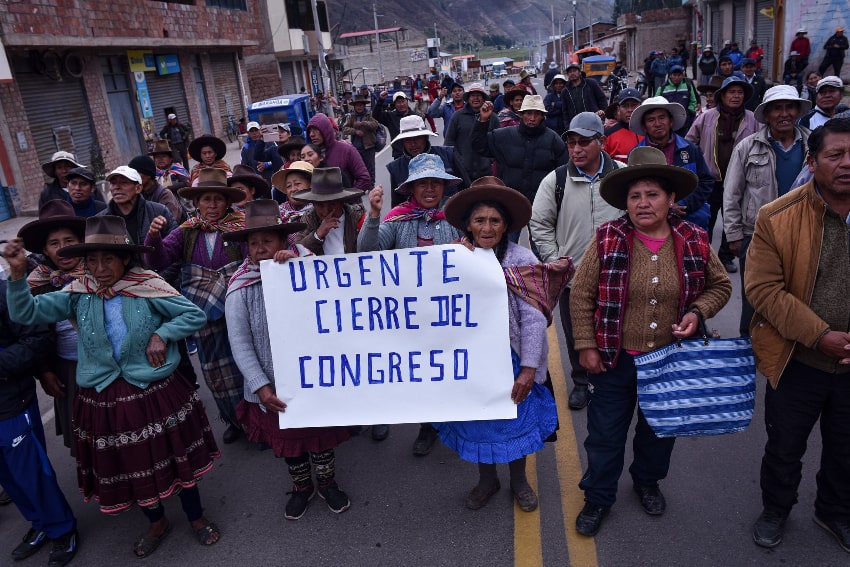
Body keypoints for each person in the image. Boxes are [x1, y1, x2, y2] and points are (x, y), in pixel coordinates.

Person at [4, 215, 221, 559]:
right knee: (130, 463)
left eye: (108, 258)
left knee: (174, 456)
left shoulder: (147, 285)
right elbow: (26, 313)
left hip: (154, 390)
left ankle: (196, 517)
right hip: (105, 395)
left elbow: (193, 314)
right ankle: (156, 521)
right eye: (92, 259)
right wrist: (17, 275)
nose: (100, 268)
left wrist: (161, 334)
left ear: (124, 259)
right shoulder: (77, 292)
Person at [570, 146, 732, 537]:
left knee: (659, 430)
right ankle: (598, 496)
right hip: (615, 358)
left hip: (670, 360)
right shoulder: (609, 237)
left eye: (653, 194)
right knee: (605, 433)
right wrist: (586, 345)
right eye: (635, 196)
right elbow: (581, 294)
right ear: (625, 202)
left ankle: (647, 481)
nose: (643, 203)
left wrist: (696, 313)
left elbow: (721, 285)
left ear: (672, 199)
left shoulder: (692, 238)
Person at [435, 177, 571, 512]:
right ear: (468, 223)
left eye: (495, 220)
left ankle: (519, 480)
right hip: (469, 361)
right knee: (478, 423)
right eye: (479, 220)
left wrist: (528, 367)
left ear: (505, 225)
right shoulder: (452, 258)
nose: (487, 227)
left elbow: (534, 318)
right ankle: (487, 480)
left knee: (514, 420)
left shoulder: (521, 260)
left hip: (510, 359)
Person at [746, 116, 850, 553]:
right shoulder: (777, 216)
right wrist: (820, 335)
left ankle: (834, 511)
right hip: (798, 358)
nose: (847, 163)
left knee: (846, 448)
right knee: (785, 445)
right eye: (836, 155)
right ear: (812, 160)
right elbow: (763, 289)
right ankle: (776, 508)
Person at [224, 199, 353, 520]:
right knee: (288, 444)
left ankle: (327, 482)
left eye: (268, 241)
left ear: (284, 242)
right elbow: (240, 343)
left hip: (312, 378)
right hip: (273, 387)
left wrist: (296, 263)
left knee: (320, 439)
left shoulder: (303, 266)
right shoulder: (240, 287)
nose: (260, 249)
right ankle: (301, 486)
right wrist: (260, 386)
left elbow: (328, 294)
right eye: (253, 243)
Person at [357, 153, 463, 448]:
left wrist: (467, 247)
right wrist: (374, 215)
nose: (429, 189)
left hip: (450, 311)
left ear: (444, 187)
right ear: (411, 189)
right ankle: (427, 427)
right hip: (412, 315)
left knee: (452, 368)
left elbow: (479, 254)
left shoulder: (458, 217)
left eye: (435, 183)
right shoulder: (397, 218)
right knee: (425, 373)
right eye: (422, 184)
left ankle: (457, 423)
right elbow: (368, 253)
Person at [530, 112, 626, 411]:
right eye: (571, 143)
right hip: (573, 279)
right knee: (577, 334)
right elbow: (540, 225)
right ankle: (582, 382)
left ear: (602, 142)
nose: (576, 149)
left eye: (584, 142)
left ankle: (617, 379)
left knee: (620, 328)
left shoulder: (624, 175)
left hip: (619, 276)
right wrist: (554, 258)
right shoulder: (556, 180)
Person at [145, 168, 248, 444]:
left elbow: (255, 259)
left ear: (227, 202)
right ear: (197, 203)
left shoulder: (242, 227)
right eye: (206, 200)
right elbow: (160, 260)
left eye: (217, 199)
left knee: (247, 364)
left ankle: (257, 421)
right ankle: (234, 419)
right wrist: (153, 238)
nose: (212, 205)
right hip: (203, 312)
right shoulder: (187, 232)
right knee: (215, 369)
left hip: (239, 305)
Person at [0, 259, 78, 567]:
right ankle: (40, 524)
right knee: (9, 479)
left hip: (12, 405)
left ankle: (61, 528)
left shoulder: (5, 293)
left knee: (32, 474)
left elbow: (38, 338)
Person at [724, 84, 812, 336]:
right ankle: (748, 348)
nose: (784, 114)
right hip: (757, 234)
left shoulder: (811, 144)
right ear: (768, 114)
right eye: (777, 109)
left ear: (797, 111)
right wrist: (734, 235)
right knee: (754, 295)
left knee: (797, 294)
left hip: (803, 233)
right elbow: (732, 193)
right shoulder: (748, 147)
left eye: (789, 107)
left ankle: (787, 347)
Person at [17, 200, 87, 456]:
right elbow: (30, 334)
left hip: (111, 365)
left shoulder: (103, 272)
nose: (62, 249)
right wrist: (44, 371)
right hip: (67, 369)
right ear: (45, 250)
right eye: (54, 244)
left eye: (69, 241)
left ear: (81, 241)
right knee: (82, 437)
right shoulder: (35, 285)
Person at [685, 77, 759, 274]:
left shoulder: (752, 119)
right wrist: (699, 162)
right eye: (731, 92)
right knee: (707, 220)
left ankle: (725, 256)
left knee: (733, 221)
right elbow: (690, 141)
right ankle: (704, 256)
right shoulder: (707, 117)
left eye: (740, 92)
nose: (736, 96)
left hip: (739, 182)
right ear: (723, 95)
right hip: (711, 180)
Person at [472, 94, 568, 222]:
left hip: (541, 204)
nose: (532, 118)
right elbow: (480, 147)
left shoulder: (553, 140)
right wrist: (482, 121)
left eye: (537, 114)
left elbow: (563, 173)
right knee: (507, 241)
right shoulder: (505, 136)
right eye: (528, 113)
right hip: (509, 203)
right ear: (521, 114)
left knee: (540, 241)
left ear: (542, 116)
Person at [630, 97, 715, 231]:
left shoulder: (689, 149)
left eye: (662, 117)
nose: (657, 123)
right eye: (651, 120)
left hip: (691, 221)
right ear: (644, 127)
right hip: (652, 225)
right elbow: (632, 191)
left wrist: (684, 204)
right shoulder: (636, 155)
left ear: (671, 121)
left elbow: (706, 181)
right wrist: (666, 207)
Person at [386, 115, 469, 207]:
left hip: (452, 213)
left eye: (417, 138)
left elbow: (466, 189)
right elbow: (397, 205)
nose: (413, 144)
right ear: (402, 142)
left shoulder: (448, 155)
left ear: (425, 137)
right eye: (408, 140)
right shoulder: (396, 168)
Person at [291, 167, 365, 255]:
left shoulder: (357, 217)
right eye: (320, 205)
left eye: (332, 204)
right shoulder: (309, 219)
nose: (326, 211)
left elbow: (371, 248)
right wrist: (318, 234)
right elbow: (297, 251)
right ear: (313, 204)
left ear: (341, 201)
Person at [98, 166, 177, 247]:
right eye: (113, 183)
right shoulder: (100, 220)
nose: (117, 187)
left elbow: (175, 245)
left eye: (124, 182)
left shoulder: (159, 212)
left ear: (138, 188)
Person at [445, 84, 499, 181]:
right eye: (472, 95)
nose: (476, 98)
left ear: (483, 98)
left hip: (486, 172)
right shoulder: (458, 116)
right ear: (468, 98)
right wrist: (458, 161)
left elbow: (498, 143)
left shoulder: (493, 117)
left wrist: (489, 161)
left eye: (479, 95)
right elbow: (449, 142)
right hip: (462, 172)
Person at [305, 113, 371, 192]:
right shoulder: (307, 155)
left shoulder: (346, 150)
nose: (312, 134)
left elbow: (364, 179)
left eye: (316, 130)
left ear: (325, 130)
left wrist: (348, 198)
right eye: (310, 131)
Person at [129, 155, 187, 224]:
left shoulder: (164, 195)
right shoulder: (137, 194)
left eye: (137, 173)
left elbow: (169, 226)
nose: (133, 177)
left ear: (148, 174)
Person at [271, 161, 315, 247]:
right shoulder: (279, 212)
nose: (293, 189)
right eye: (288, 186)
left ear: (311, 185)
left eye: (297, 184)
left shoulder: (319, 209)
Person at [341, 94, 380, 185]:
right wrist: (355, 131)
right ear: (354, 106)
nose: (359, 107)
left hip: (369, 146)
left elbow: (375, 125)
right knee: (357, 168)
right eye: (357, 105)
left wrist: (363, 123)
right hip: (356, 147)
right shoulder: (351, 116)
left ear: (364, 105)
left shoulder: (369, 114)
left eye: (361, 105)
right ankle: (361, 185)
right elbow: (344, 128)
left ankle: (371, 185)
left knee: (370, 167)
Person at [374, 91, 421, 159]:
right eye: (398, 102)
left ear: (407, 102)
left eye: (403, 101)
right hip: (399, 155)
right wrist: (381, 100)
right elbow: (376, 115)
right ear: (395, 105)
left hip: (415, 154)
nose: (401, 104)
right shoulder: (390, 117)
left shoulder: (415, 116)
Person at [561, 62, 608, 127]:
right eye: (570, 72)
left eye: (574, 71)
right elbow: (565, 111)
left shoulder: (591, 83)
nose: (572, 73)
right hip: (576, 124)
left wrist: (602, 113)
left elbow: (602, 99)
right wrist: (568, 126)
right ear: (568, 75)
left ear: (580, 72)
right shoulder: (565, 91)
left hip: (593, 121)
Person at [655, 65, 698, 135]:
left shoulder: (688, 86)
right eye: (674, 75)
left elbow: (693, 101)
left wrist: (689, 112)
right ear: (670, 75)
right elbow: (656, 102)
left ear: (682, 75)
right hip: (668, 122)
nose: (677, 77)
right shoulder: (662, 88)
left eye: (679, 75)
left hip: (684, 122)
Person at [603, 89, 644, 161]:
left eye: (634, 105)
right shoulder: (608, 135)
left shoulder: (649, 131)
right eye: (625, 106)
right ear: (618, 109)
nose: (630, 110)